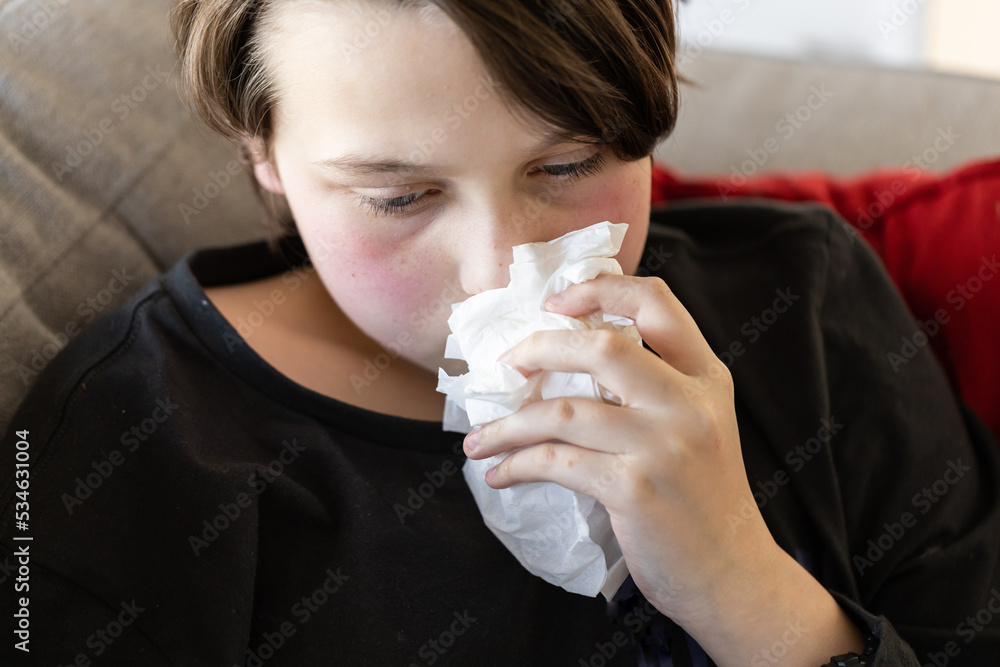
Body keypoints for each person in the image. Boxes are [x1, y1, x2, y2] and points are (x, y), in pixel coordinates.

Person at [1, 0, 998, 664]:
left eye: (564, 167)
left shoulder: (806, 304)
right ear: (263, 152)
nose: (494, 267)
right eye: (398, 196)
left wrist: (743, 586)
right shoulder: (136, 437)